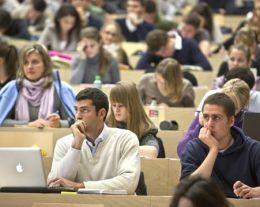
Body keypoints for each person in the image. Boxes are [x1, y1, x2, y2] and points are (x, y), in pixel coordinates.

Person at [47, 87, 140, 193]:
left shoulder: (126, 139)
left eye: (84, 110)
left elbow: (128, 183)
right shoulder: (64, 143)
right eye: (76, 110)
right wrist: (75, 147)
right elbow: (54, 184)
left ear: (102, 113)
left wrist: (79, 186)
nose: (78, 116)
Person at [180, 92, 260, 198]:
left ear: (231, 121)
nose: (209, 124)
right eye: (206, 117)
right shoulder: (193, 148)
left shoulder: (253, 149)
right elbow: (187, 189)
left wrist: (255, 191)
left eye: (216, 118)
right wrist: (213, 149)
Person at [0, 44, 75, 127]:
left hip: (53, 138)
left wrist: (59, 124)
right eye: (25, 63)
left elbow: (76, 122)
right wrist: (28, 124)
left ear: (46, 65)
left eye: (35, 62)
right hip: (17, 139)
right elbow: (1, 121)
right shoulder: (12, 88)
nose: (30, 66)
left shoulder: (61, 89)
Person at [177, 78, 250, 157]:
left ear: (243, 106)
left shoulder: (247, 121)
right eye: (225, 104)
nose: (228, 110)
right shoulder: (206, 115)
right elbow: (182, 150)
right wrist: (200, 126)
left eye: (234, 108)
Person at [107, 81, 165, 158]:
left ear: (132, 105)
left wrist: (117, 149)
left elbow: (152, 152)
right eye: (114, 105)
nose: (116, 110)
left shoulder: (145, 129)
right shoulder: (107, 123)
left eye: (121, 106)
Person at [136, 29, 212, 73]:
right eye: (159, 55)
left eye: (164, 51)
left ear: (169, 40)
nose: (163, 56)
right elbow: (139, 67)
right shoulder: (156, 49)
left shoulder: (189, 44)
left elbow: (206, 66)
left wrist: (183, 68)